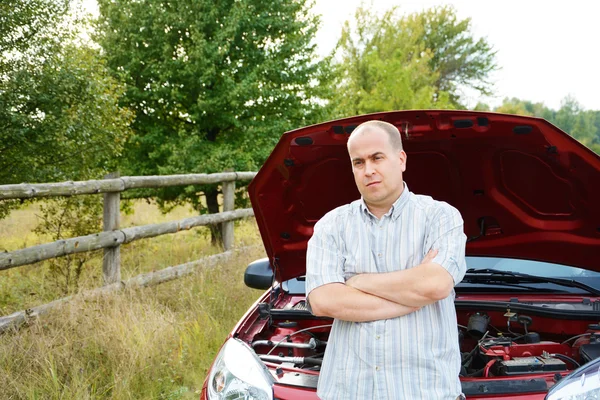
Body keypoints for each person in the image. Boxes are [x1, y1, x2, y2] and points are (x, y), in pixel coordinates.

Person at [305, 120, 467, 400]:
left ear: (401, 159)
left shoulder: (441, 217)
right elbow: (323, 300)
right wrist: (410, 298)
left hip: (424, 391)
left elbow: (434, 286)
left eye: (377, 157)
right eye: (358, 162)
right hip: (349, 392)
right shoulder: (331, 226)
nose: (369, 170)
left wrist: (357, 281)